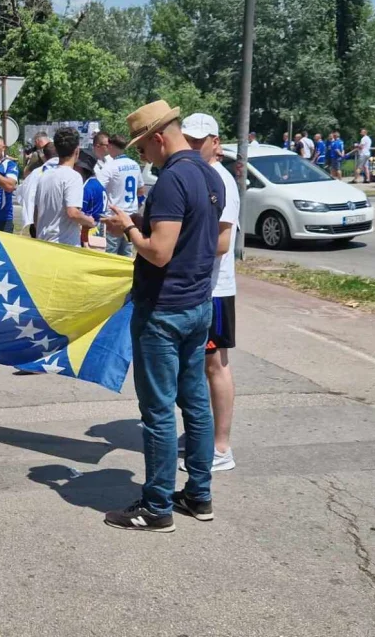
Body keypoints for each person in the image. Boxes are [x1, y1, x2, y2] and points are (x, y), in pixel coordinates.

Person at [100, 101, 224, 533]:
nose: (143, 157)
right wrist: (139, 221)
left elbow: (158, 251)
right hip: (197, 304)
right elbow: (192, 233)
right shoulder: (210, 173)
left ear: (158, 138)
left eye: (142, 148)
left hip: (163, 311)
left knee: (157, 412)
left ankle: (156, 507)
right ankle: (199, 495)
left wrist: (129, 229)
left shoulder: (171, 178)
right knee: (196, 404)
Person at [180, 114, 239, 473]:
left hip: (215, 288)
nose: (192, 146)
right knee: (200, 364)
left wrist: (175, 246)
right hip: (202, 285)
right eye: (187, 139)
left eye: (198, 141)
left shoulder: (220, 179)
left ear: (215, 143)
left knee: (215, 365)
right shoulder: (201, 176)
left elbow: (221, 242)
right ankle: (203, 435)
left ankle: (220, 448)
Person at [34, 127, 93, 246]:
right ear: (77, 150)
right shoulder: (73, 177)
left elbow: (36, 213)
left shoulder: (44, 176)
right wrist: (89, 221)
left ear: (56, 149)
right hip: (64, 245)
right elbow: (73, 213)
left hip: (43, 241)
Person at [98, 134, 143, 257]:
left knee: (109, 255)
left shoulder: (110, 166)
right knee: (126, 254)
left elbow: (98, 188)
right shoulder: (135, 164)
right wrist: (136, 205)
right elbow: (141, 190)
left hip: (114, 217)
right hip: (130, 217)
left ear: (111, 146)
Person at [77, 151, 106, 249]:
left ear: (80, 168)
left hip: (89, 231)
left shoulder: (87, 188)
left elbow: (80, 213)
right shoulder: (98, 184)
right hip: (99, 228)